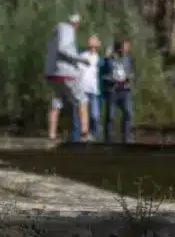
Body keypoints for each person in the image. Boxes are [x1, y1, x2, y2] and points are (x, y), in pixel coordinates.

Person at [44, 14, 88, 143]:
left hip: (52, 73)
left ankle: (51, 135)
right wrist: (81, 59)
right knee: (82, 99)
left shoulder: (54, 34)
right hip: (66, 72)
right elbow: (63, 49)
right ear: (75, 23)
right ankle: (84, 134)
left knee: (56, 101)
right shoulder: (67, 29)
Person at [98, 38, 134, 143]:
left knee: (128, 113)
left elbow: (130, 72)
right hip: (112, 90)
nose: (127, 49)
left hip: (124, 90)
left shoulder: (127, 59)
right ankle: (108, 139)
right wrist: (111, 79)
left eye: (127, 46)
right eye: (125, 46)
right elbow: (102, 74)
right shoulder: (109, 59)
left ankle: (126, 138)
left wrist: (129, 77)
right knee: (110, 116)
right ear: (119, 47)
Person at [77, 35, 103, 141]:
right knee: (82, 113)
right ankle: (83, 134)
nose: (93, 47)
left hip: (93, 88)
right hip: (82, 88)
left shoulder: (98, 57)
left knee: (94, 114)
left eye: (95, 45)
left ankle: (94, 135)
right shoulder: (82, 55)